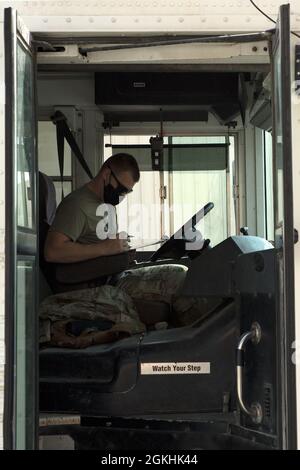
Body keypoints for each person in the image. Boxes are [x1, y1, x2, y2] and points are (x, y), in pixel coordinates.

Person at [41, 153, 221, 347]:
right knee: (178, 279)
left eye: (127, 192)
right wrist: (104, 248)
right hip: (99, 285)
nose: (121, 195)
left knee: (179, 271)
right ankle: (203, 344)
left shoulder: (104, 204)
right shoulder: (76, 205)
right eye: (121, 188)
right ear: (106, 174)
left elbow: (98, 246)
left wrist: (121, 251)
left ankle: (198, 339)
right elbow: (53, 251)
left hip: (115, 274)